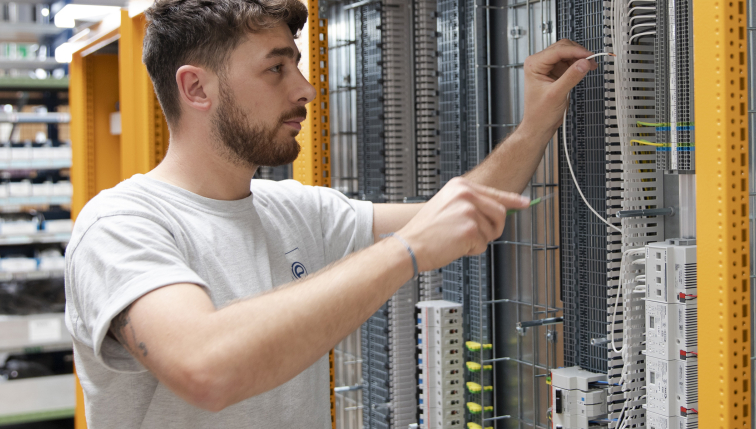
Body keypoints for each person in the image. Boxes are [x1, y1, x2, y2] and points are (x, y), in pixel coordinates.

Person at [64, 0, 598, 427]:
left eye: (296, 63)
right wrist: (405, 252)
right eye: (276, 67)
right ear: (195, 87)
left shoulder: (295, 210)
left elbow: (463, 214)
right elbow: (205, 368)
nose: (306, 89)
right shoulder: (119, 227)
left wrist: (535, 124)